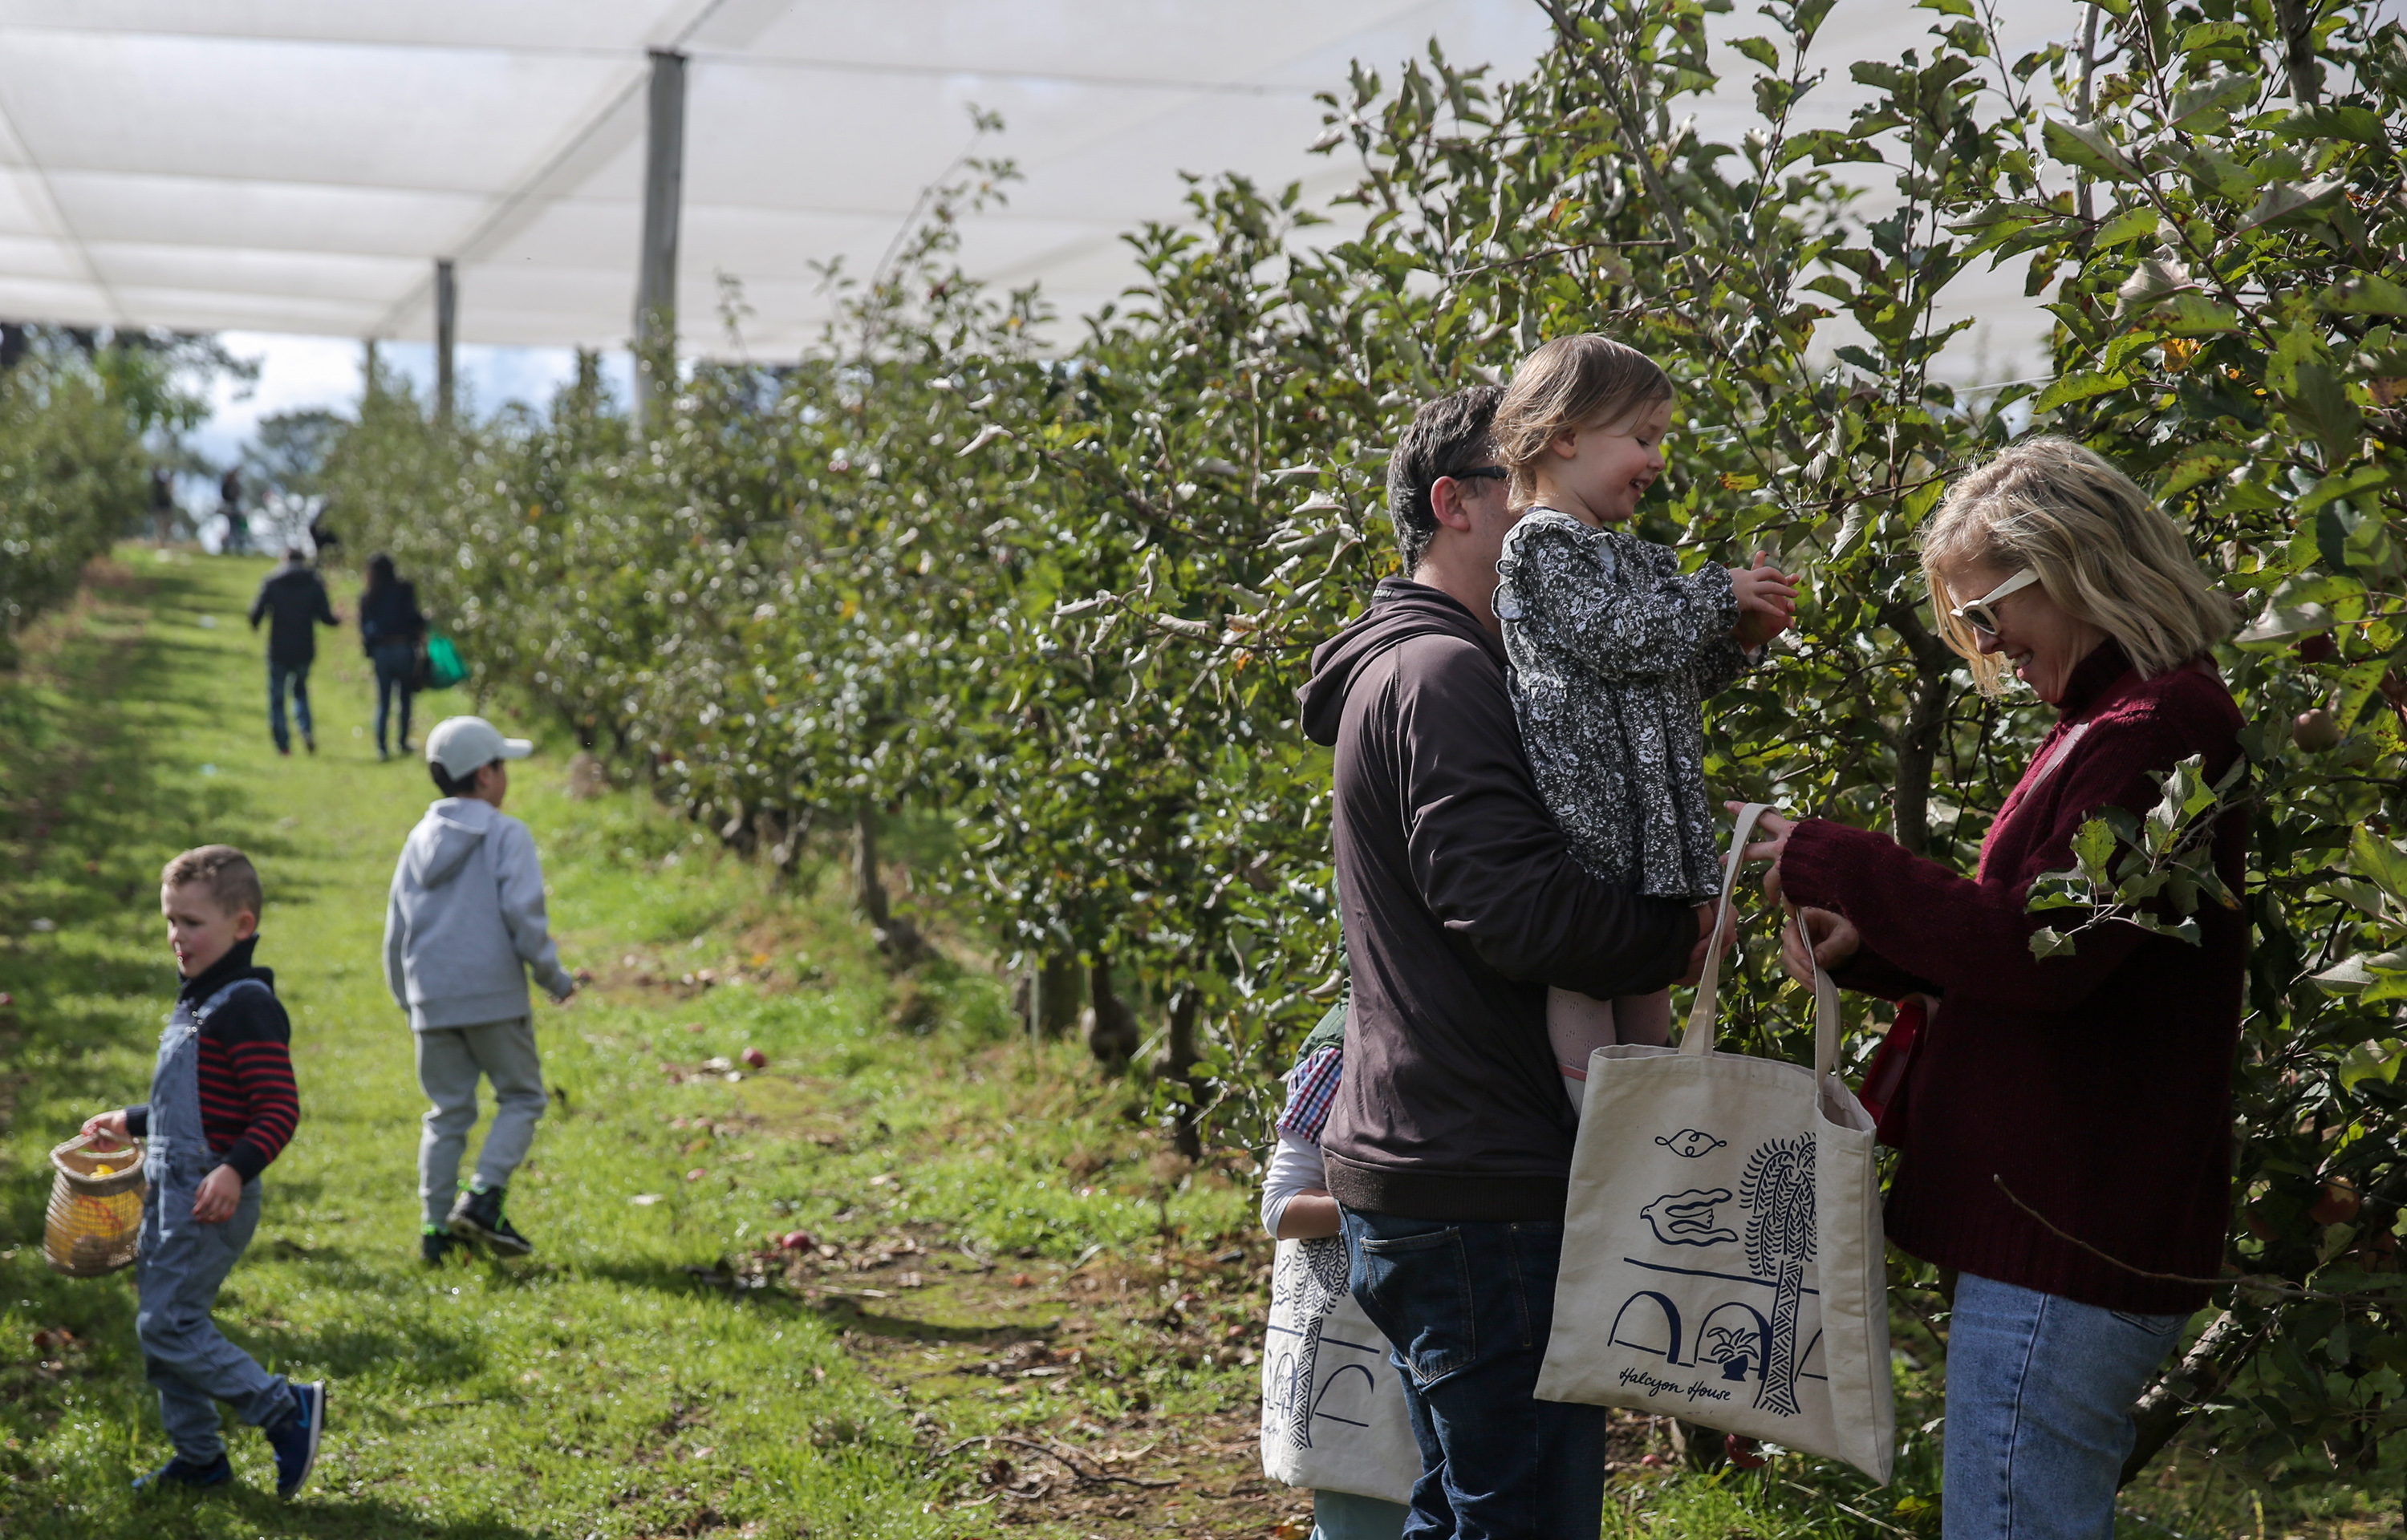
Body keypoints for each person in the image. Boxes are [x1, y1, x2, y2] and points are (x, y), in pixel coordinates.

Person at [1741, 437, 2244, 1538]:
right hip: (2063, 1218)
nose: (1984, 645)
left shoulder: (2161, 731)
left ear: (2074, 567)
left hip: (2074, 1226)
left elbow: (2042, 952)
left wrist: (1839, 860)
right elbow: (2057, 955)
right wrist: (1866, 945)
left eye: (1987, 612)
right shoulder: (2108, 730)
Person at [1295, 387, 1719, 1538]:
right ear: (1457, 505)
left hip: (1440, 1160)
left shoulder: (1441, 670)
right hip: (1478, 1179)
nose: (1549, 516)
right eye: (1519, 484)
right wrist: (1675, 931)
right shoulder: (1442, 676)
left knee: (1464, 1508)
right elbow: (1514, 911)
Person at [1488, 334, 1798, 1096]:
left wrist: (1740, 643)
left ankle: (1643, 1124)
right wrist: (1715, 595)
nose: (1657, 459)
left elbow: (1664, 673)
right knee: (1587, 977)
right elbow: (1618, 636)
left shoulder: (1627, 555)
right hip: (1590, 822)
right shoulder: (1541, 544)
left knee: (1649, 986)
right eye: (1642, 438)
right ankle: (1595, 1128)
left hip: (1646, 823)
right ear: (1565, 436)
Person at [80, 845, 323, 1499]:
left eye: (193, 923)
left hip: (210, 1193)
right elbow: (196, 1105)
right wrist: (132, 1121)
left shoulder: (244, 1007)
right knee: (162, 1321)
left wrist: (236, 1172)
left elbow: (277, 1108)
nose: (176, 937)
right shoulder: (195, 1003)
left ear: (241, 926)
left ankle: (283, 1409)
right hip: (169, 1187)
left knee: (168, 1324)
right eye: (171, 920)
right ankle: (199, 1458)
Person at [385, 715, 578, 1263]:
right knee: (522, 1096)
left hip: (432, 999)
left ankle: (433, 1232)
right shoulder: (505, 834)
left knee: (446, 1113)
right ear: (487, 775)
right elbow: (524, 916)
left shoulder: (417, 840)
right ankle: (484, 1196)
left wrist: (409, 997)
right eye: (503, 766)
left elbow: (395, 931)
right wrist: (553, 979)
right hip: (493, 996)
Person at [1261, 1004, 1410, 1540]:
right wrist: (1409, 1201)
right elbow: (1281, 1208)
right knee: (1368, 1504)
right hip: (1371, 1309)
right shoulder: (1351, 1037)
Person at [248, 547, 340, 756]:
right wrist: (339, 619)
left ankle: (284, 745)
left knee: (277, 698)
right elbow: (326, 617)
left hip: (278, 649)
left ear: (284, 560)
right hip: (304, 649)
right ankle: (305, 728)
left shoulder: (272, 581)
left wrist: (255, 624)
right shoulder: (314, 583)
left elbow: (256, 613)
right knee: (300, 691)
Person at [359, 553, 426, 760]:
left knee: (384, 699)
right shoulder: (404, 589)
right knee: (405, 697)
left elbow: (365, 627)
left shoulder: (369, 595)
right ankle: (402, 742)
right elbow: (414, 617)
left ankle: (382, 748)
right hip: (403, 648)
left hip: (382, 651)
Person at [219, 468, 249, 556]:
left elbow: (239, 496)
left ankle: (239, 548)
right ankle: (226, 547)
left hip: (236, 509)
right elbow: (225, 496)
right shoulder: (226, 485)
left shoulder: (237, 485)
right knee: (230, 529)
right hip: (229, 509)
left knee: (238, 529)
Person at [149, 467, 177, 545]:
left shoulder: (169, 484)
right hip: (159, 507)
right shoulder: (159, 484)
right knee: (160, 525)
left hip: (167, 508)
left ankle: (165, 541)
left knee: (167, 525)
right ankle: (161, 542)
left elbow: (171, 493)